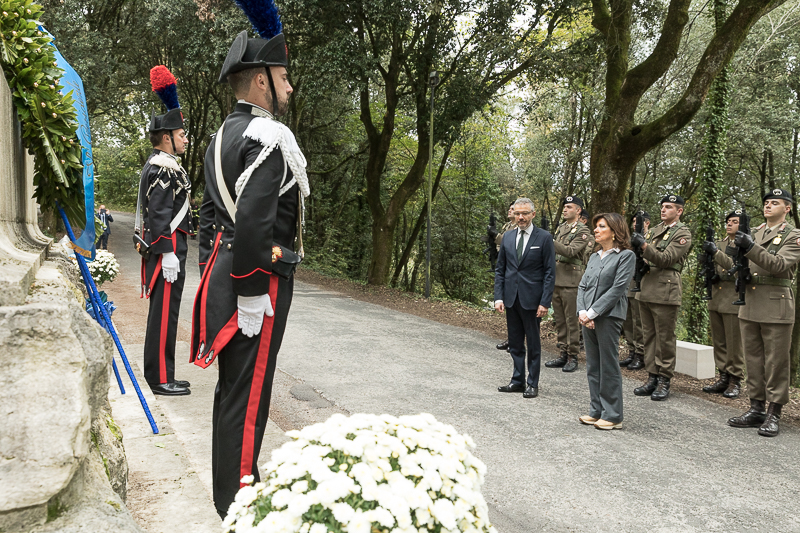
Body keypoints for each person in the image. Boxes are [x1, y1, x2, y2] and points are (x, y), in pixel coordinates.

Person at [190, 28, 309, 515]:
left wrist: (213, 272)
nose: (289, 87)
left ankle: (232, 490)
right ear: (260, 80)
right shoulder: (268, 135)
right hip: (256, 280)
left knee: (233, 391)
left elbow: (208, 216)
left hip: (227, 270)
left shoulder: (222, 134)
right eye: (283, 77)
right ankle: (239, 501)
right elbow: (258, 221)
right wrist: (251, 292)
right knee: (250, 391)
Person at [724, 189, 800, 437]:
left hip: (775, 304)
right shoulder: (754, 233)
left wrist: (751, 246)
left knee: (776, 361)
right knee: (753, 360)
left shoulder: (793, 235)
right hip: (750, 302)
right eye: (766, 203)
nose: (768, 206)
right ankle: (756, 407)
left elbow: (778, 265)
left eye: (775, 203)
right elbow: (740, 263)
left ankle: (774, 412)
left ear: (787, 208)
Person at [137, 65, 192, 396]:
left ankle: (165, 373)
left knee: (169, 315)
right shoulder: (161, 167)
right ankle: (159, 378)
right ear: (167, 137)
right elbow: (158, 213)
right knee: (163, 316)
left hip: (170, 251)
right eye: (181, 134)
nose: (185, 139)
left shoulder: (166, 166)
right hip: (166, 253)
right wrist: (168, 251)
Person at [577, 213, 635, 430]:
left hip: (609, 317)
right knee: (593, 364)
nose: (596, 230)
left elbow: (618, 289)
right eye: (596, 227)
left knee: (608, 364)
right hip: (588, 316)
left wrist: (593, 313)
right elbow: (583, 286)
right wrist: (582, 311)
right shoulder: (594, 256)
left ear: (615, 231)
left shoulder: (626, 256)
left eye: (601, 226)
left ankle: (613, 415)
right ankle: (596, 410)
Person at [630, 195, 691, 401]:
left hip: (666, 289)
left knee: (664, 337)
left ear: (679, 211)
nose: (663, 210)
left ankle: (664, 378)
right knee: (649, 335)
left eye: (669, 207)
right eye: (662, 207)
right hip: (646, 286)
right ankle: (652, 375)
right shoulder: (655, 230)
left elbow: (666, 259)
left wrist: (645, 247)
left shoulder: (682, 232)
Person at [494, 198, 556, 399]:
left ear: (533, 214)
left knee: (533, 343)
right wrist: (498, 297)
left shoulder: (544, 238)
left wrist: (545, 302)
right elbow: (500, 269)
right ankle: (517, 380)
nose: (520, 217)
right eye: (517, 213)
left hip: (533, 300)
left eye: (525, 213)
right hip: (511, 298)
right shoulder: (508, 237)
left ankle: (532, 383)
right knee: (515, 342)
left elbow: (549, 272)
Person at [699, 211, 744, 398]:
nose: (730, 224)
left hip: (732, 298)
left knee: (734, 343)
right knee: (719, 341)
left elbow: (735, 267)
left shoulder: (744, 245)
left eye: (734, 222)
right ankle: (723, 375)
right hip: (716, 296)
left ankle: (735, 379)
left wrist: (715, 253)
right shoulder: (719, 243)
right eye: (728, 221)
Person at [544, 196, 591, 372]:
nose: (564, 209)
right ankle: (563, 351)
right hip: (557, 278)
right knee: (560, 319)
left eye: (569, 207)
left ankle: (573, 355)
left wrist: (550, 241)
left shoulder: (583, 231)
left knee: (572, 320)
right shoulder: (562, 228)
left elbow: (571, 251)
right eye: (564, 207)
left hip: (571, 281)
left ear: (578, 210)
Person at [620, 211, 650, 369]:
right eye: (633, 221)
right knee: (628, 319)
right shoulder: (630, 239)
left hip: (643, 283)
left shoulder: (650, 238)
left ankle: (641, 352)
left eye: (638, 221)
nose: (635, 224)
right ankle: (632, 350)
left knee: (639, 321)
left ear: (647, 223)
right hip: (630, 283)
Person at [495, 201, 516, 352]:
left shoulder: (519, 229)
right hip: (506, 267)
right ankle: (511, 338)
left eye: (512, 209)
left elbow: (510, 245)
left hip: (515, 270)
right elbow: (501, 248)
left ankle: (517, 340)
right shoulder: (507, 227)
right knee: (510, 307)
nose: (510, 211)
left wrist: (496, 237)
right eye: (509, 208)